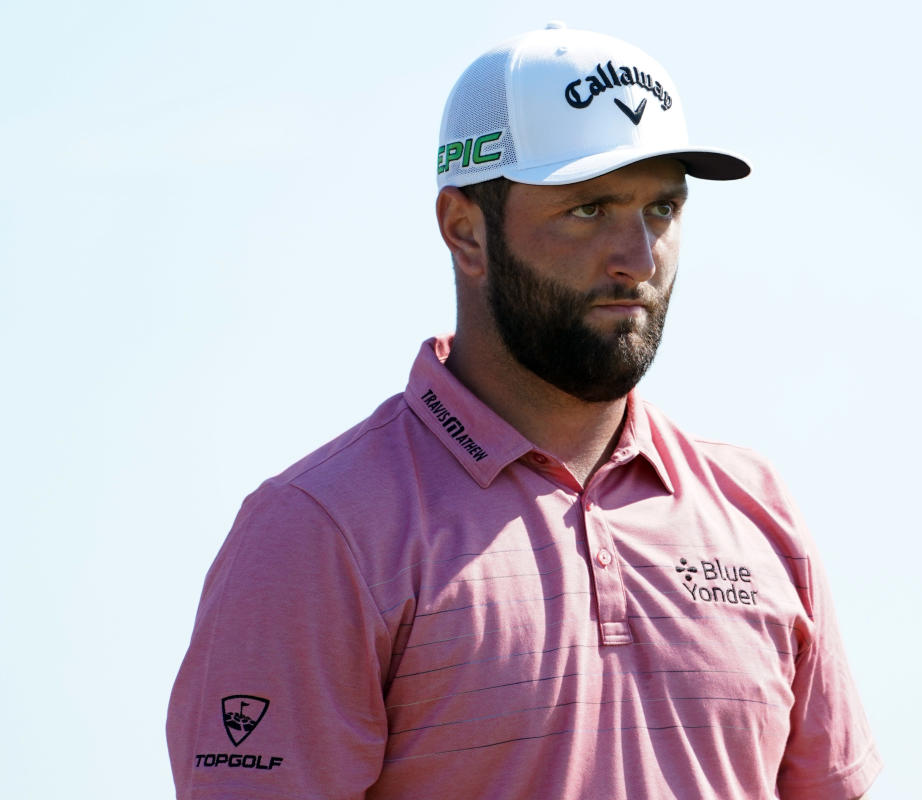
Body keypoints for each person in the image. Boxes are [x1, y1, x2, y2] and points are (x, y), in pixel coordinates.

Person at [167, 22, 881, 800]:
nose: (638, 259)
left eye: (662, 210)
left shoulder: (756, 509)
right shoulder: (317, 531)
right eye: (588, 210)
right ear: (464, 230)